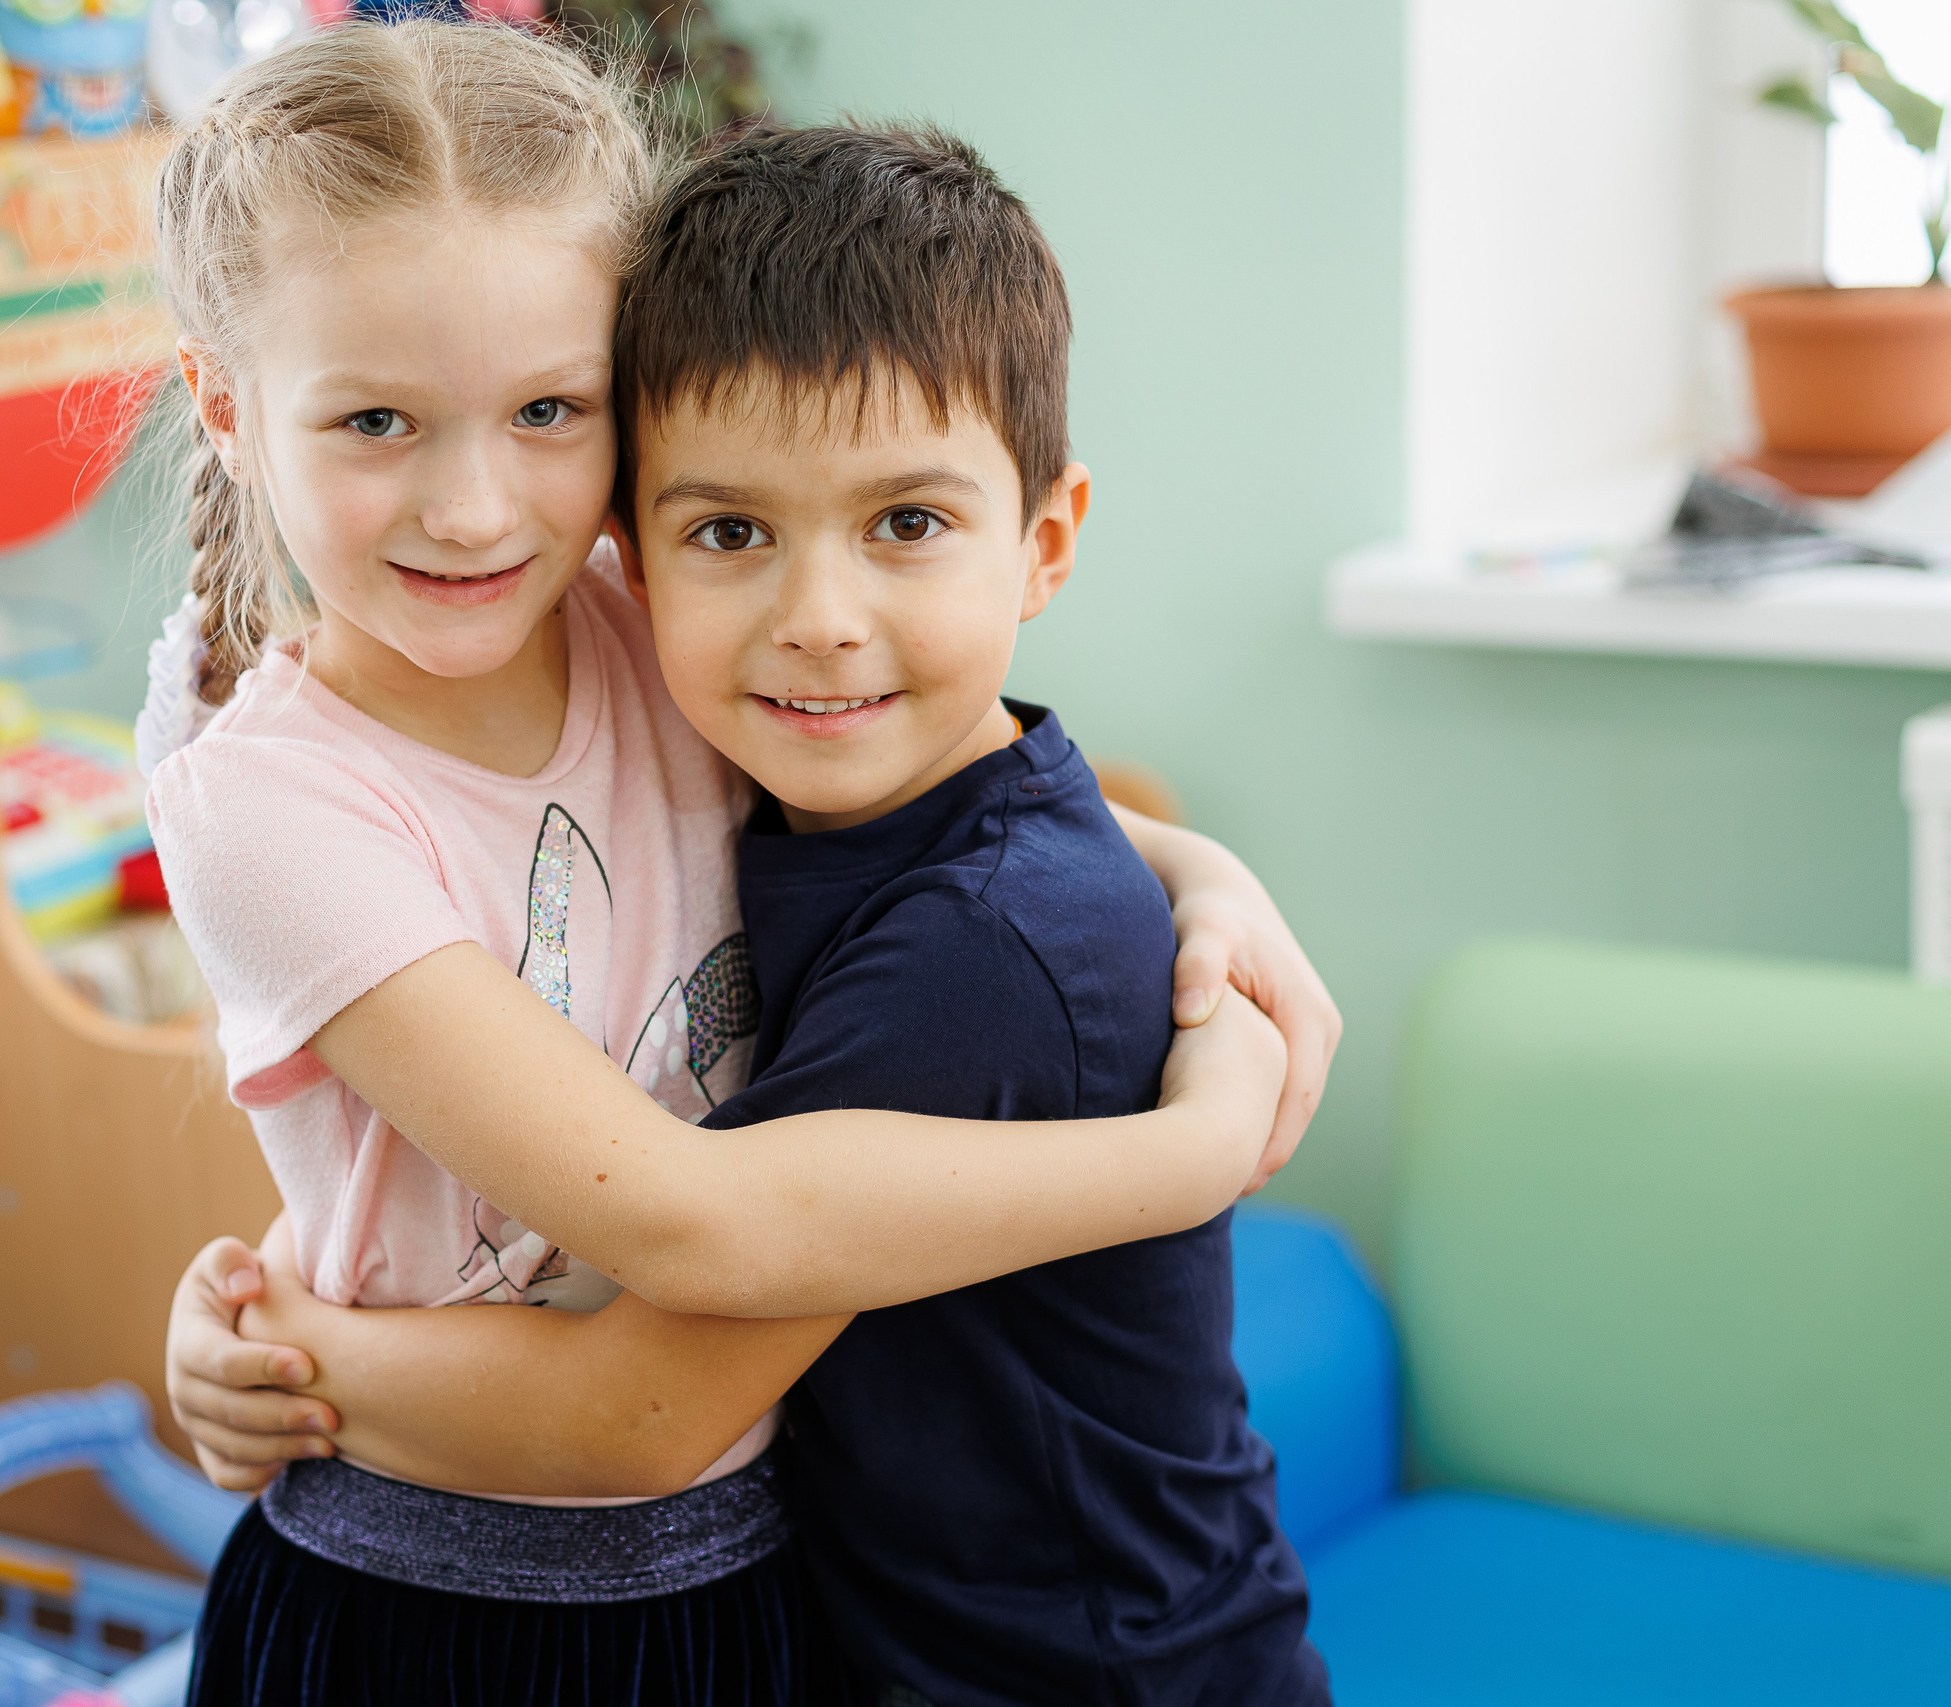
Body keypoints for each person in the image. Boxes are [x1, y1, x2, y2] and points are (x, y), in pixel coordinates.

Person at [142, 20, 1332, 1705]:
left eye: (548, 410)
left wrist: (1198, 875)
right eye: (377, 421)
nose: (478, 511)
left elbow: (942, 805)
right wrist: (1194, 1147)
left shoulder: (650, 620)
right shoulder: (276, 800)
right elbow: (684, 1267)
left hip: (749, 1587)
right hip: (435, 1607)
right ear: (226, 403)